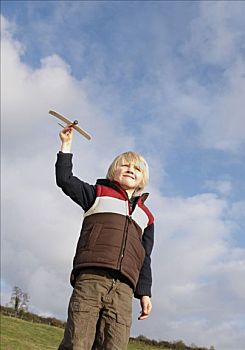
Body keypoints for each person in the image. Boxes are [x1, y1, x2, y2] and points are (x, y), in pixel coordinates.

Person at [56, 124, 154, 350]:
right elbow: (65, 179)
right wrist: (66, 145)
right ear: (113, 171)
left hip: (124, 290)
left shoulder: (146, 217)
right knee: (77, 342)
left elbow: (145, 257)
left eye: (136, 168)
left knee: (114, 345)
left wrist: (145, 293)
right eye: (125, 165)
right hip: (91, 279)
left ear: (142, 178)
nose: (130, 169)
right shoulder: (96, 194)